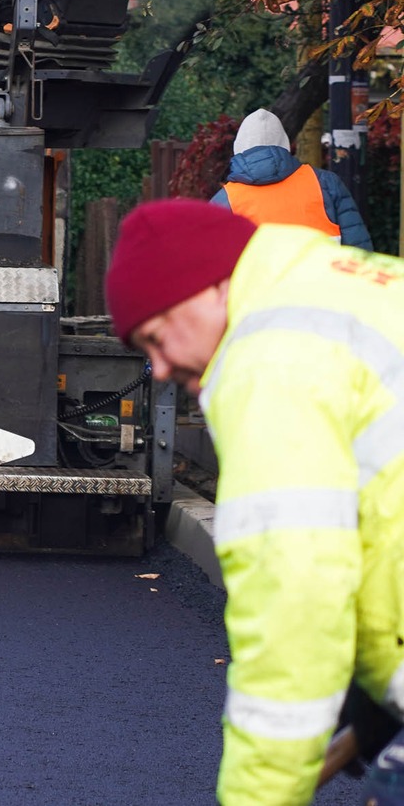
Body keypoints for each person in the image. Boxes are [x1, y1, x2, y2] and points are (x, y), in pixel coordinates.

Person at [106, 198, 404, 805]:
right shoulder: (355, 288)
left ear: (207, 288)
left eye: (156, 338)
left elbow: (294, 595)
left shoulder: (269, 362)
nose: (158, 369)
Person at [211, 107, 372, 249]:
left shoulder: (224, 200)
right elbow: (357, 249)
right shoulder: (325, 183)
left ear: (239, 147)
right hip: (322, 275)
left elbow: (210, 259)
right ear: (285, 144)